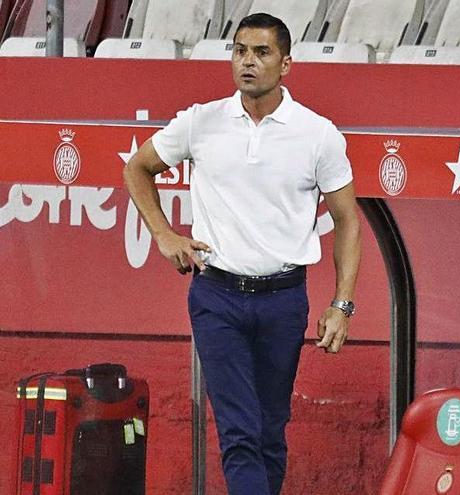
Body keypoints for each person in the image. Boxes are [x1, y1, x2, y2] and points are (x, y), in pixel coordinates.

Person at [122, 13, 360, 495]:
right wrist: (164, 234)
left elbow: (350, 221)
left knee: (269, 433)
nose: (248, 62)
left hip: (284, 299)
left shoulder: (318, 134)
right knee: (240, 433)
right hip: (217, 296)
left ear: (286, 63)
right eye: (240, 51)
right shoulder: (201, 121)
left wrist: (342, 305)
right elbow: (138, 168)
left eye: (261, 53)